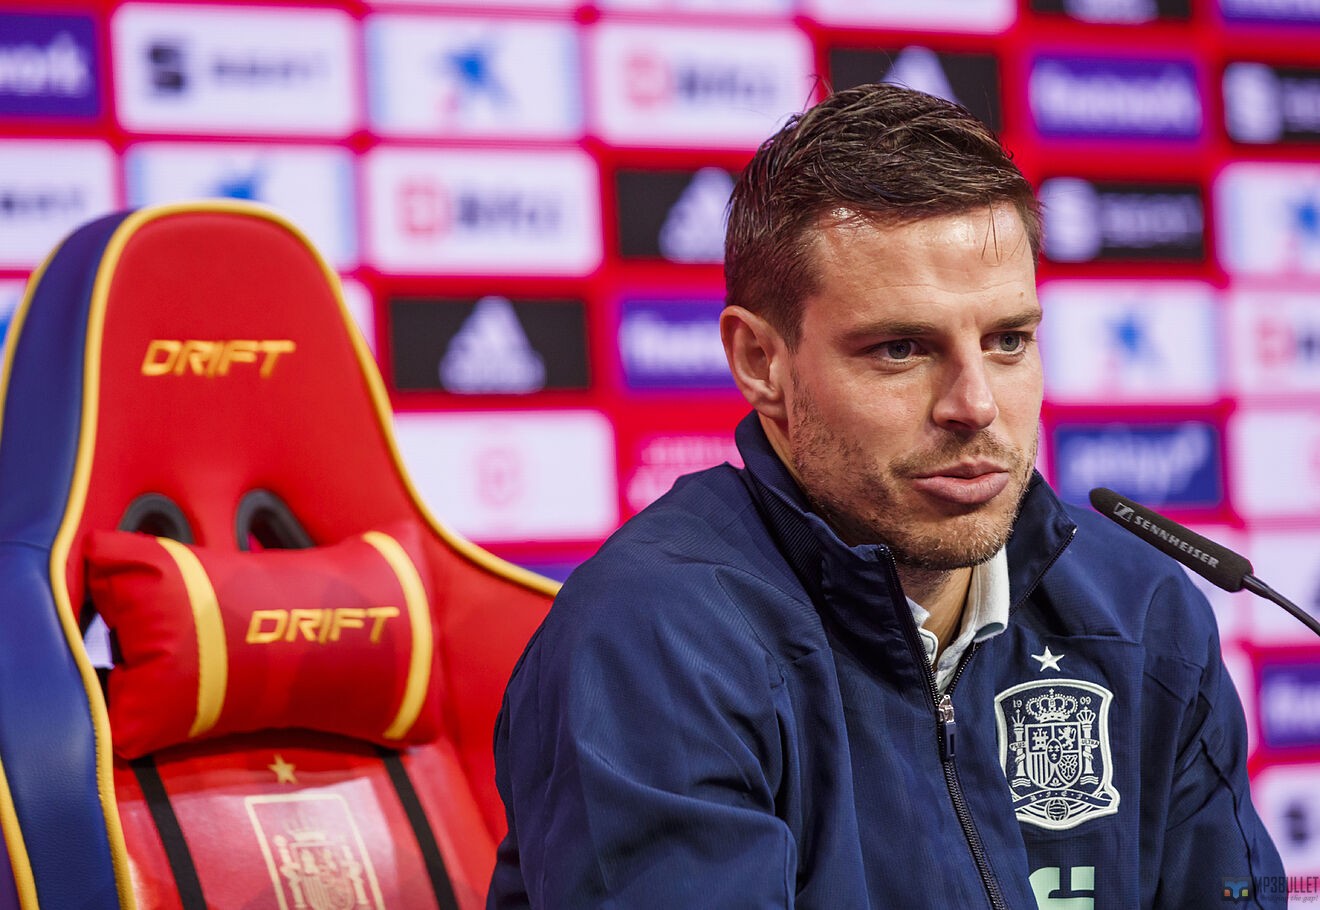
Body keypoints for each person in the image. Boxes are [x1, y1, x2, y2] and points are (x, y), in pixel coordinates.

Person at [487, 83, 1284, 909]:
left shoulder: (1137, 606)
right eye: (901, 349)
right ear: (761, 362)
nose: (975, 404)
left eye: (1008, 340)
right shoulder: (653, 641)